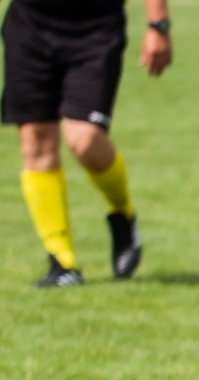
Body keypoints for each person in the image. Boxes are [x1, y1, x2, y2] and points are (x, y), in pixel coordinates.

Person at [3, 0, 170, 287]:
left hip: (96, 29)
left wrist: (158, 25)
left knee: (84, 139)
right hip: (30, 26)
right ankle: (62, 263)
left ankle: (122, 211)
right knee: (35, 141)